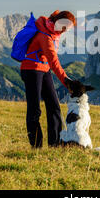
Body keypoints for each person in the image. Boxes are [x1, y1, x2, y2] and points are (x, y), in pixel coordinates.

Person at [20, 10, 77, 148]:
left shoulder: (54, 32)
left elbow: (50, 62)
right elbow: (54, 61)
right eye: (64, 27)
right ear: (58, 21)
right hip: (31, 70)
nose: (64, 31)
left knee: (54, 106)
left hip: (44, 70)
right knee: (34, 109)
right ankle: (36, 146)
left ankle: (55, 144)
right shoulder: (45, 35)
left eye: (67, 29)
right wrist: (67, 82)